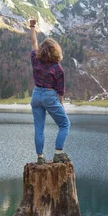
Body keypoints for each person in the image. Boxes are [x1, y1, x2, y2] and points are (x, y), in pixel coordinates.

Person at [28, 19, 71, 164]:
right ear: (55, 50)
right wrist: (62, 105)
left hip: (36, 95)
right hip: (49, 96)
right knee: (65, 124)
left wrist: (32, 27)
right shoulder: (57, 68)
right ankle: (58, 153)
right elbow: (60, 91)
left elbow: (33, 43)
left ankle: (40, 157)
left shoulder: (36, 60)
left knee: (39, 128)